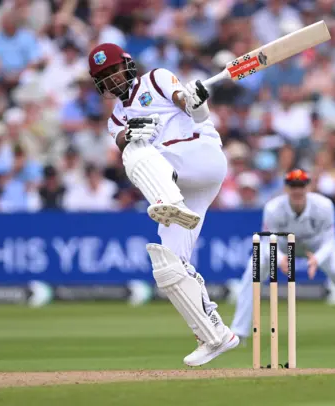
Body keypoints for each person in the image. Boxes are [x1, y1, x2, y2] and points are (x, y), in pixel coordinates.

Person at [87, 43, 238, 366]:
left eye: (113, 71)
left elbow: (188, 106)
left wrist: (196, 102)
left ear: (126, 66)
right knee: (167, 266)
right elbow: (121, 139)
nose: (111, 80)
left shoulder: (156, 78)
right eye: (103, 77)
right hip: (179, 183)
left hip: (200, 155)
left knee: (138, 152)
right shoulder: (115, 118)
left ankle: (166, 200)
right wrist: (132, 133)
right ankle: (214, 335)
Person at [230, 169, 335, 346]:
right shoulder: (273, 208)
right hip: (282, 244)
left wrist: (317, 260)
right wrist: (281, 258)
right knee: (255, 267)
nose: (297, 190)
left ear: (308, 187)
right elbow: (267, 242)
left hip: (316, 246)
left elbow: (330, 242)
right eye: (293, 186)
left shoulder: (324, 205)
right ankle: (239, 333)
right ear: (286, 188)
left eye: (301, 185)